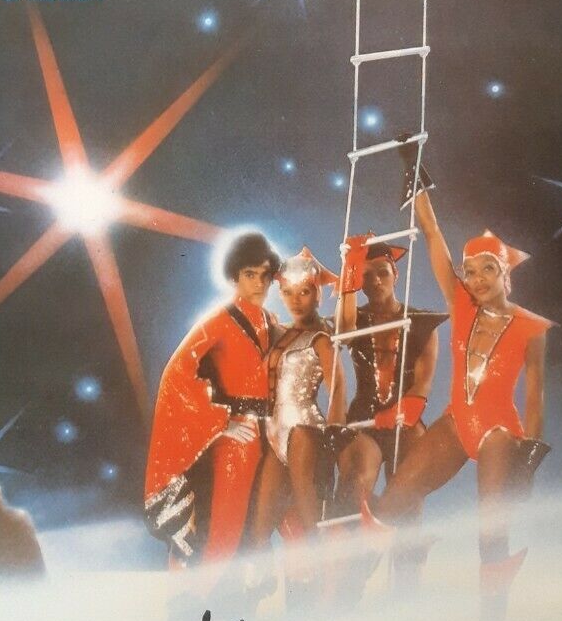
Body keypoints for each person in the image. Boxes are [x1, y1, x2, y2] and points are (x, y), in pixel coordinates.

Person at [376, 186, 553, 601]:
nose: (477, 279)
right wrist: (418, 185)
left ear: (505, 274)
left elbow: (535, 397)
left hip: (499, 434)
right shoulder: (461, 306)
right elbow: (432, 232)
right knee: (392, 502)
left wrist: (527, 464)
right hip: (456, 423)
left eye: (487, 269)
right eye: (469, 272)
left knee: (490, 536)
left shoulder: (532, 327)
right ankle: (406, 555)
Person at [144, 230, 280, 565]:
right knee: (224, 529)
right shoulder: (219, 320)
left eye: (265, 275)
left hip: (272, 433)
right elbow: (176, 373)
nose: (259, 283)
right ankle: (199, 591)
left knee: (269, 522)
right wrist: (221, 421)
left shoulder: (271, 321)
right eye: (250, 274)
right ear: (235, 276)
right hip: (240, 438)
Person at [333, 238, 446, 516]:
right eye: (366, 275)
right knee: (355, 483)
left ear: (395, 274)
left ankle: (403, 540)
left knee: (410, 492)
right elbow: (344, 332)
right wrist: (350, 269)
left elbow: (422, 385)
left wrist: (402, 411)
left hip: (405, 416)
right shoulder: (354, 318)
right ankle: (359, 537)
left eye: (382, 272)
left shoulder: (422, 322)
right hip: (363, 416)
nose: (375, 281)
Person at [248, 248, 346, 546]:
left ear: (317, 295)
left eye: (304, 292)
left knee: (309, 512)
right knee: (260, 527)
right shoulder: (276, 332)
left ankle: (329, 565)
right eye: (288, 292)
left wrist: (334, 432)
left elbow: (338, 388)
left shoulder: (321, 338)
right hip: (274, 436)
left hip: (305, 431)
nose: (296, 300)